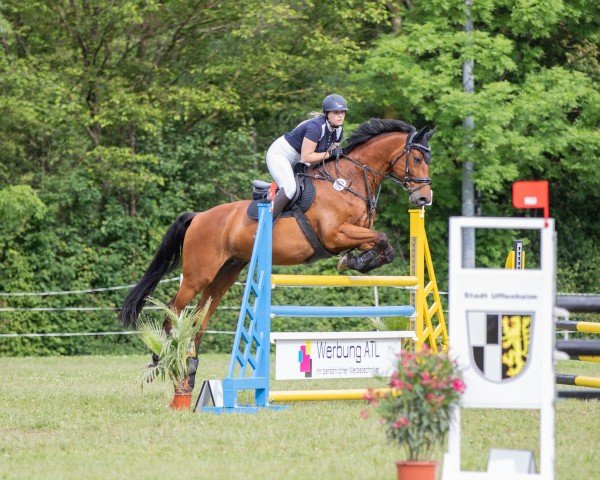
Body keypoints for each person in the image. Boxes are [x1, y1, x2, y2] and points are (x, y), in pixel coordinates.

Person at [266, 93, 348, 221]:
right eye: (336, 112)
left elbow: (331, 154)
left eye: (343, 112)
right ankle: (266, 222)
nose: (340, 115)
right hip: (280, 155)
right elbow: (307, 157)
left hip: (299, 158)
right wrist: (330, 154)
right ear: (327, 113)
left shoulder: (338, 130)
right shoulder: (315, 127)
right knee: (290, 188)